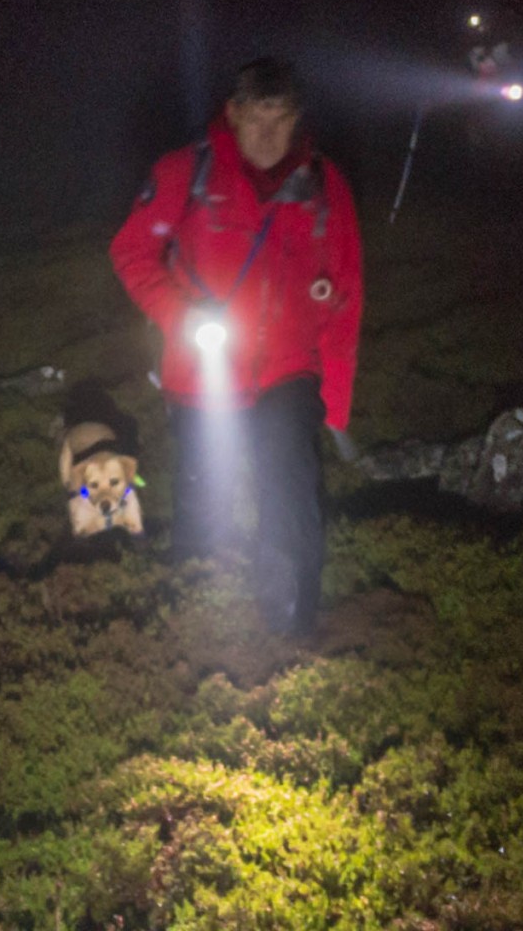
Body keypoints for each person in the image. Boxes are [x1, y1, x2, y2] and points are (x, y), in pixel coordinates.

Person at [110, 57, 363, 635]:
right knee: (205, 492)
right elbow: (131, 251)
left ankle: (290, 629)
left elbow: (346, 292)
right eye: (256, 117)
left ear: (298, 119)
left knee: (290, 493)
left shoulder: (325, 185)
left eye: (282, 118)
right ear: (233, 113)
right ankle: (196, 613)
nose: (269, 134)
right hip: (203, 374)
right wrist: (180, 316)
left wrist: (337, 402)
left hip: (288, 371)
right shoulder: (186, 172)